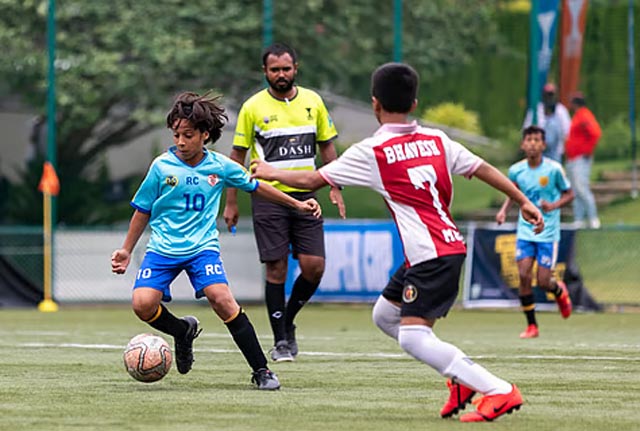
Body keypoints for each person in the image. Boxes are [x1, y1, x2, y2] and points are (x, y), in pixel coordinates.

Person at [251, 63, 545, 422]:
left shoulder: (373, 151)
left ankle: (497, 390)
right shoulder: (437, 140)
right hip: (443, 247)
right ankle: (460, 379)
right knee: (385, 315)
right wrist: (523, 201)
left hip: (431, 255)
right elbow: (483, 168)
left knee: (413, 337)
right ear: (415, 103)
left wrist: (269, 171)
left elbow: (311, 180)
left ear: (375, 104)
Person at [111, 91, 322, 390]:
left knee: (221, 299)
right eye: (176, 135)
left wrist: (297, 204)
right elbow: (142, 210)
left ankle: (262, 370)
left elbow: (257, 186)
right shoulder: (161, 167)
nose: (181, 142)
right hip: (162, 249)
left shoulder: (219, 166)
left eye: (188, 135)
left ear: (204, 135)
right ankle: (182, 331)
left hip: (202, 248)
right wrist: (126, 249)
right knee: (143, 305)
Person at [223, 42, 345, 362]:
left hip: (307, 195)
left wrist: (335, 185)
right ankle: (280, 342)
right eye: (274, 69)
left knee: (314, 267)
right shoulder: (252, 107)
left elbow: (327, 146)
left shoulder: (313, 101)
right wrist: (231, 202)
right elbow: (236, 157)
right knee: (276, 268)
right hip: (268, 197)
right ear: (265, 71)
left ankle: (288, 320)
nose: (281, 74)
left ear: (295, 69)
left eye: (286, 69)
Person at [495, 125, 575, 339]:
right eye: (529, 140)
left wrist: (554, 205)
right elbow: (513, 192)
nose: (532, 144)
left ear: (543, 145)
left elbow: (570, 194)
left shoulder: (554, 169)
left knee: (543, 281)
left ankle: (559, 290)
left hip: (548, 232)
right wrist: (503, 211)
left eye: (536, 140)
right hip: (525, 230)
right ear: (523, 145)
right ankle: (532, 326)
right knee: (523, 275)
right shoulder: (516, 170)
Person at [564, 91, 602, 229]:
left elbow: (595, 133)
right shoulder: (578, 115)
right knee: (575, 190)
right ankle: (579, 219)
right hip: (573, 158)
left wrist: (587, 150)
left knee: (582, 188)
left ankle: (593, 218)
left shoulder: (584, 115)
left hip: (581, 158)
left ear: (575, 103)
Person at [523, 83, 571, 163]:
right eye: (547, 95)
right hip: (538, 151)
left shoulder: (561, 111)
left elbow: (567, 131)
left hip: (555, 152)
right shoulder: (536, 109)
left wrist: (565, 150)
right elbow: (526, 129)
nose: (549, 98)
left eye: (551, 95)